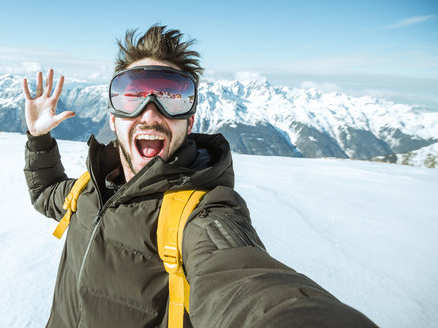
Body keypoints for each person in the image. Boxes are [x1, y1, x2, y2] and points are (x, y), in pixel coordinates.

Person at [22, 25, 376, 327]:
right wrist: (39, 138)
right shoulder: (89, 190)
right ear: (113, 117)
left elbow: (241, 280)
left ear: (189, 122)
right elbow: (46, 193)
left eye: (172, 99)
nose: (150, 113)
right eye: (132, 96)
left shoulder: (199, 215)